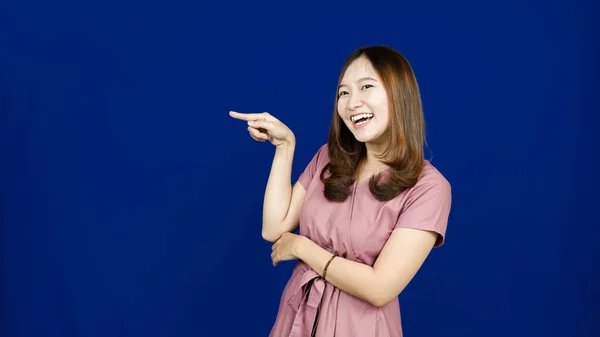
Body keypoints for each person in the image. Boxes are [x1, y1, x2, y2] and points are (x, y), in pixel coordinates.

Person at [229, 45, 452, 337]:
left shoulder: (429, 187)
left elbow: (379, 288)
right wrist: (285, 147)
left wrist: (301, 247)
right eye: (343, 93)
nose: (351, 103)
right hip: (297, 319)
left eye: (366, 87)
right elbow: (274, 228)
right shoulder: (329, 159)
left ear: (399, 95)